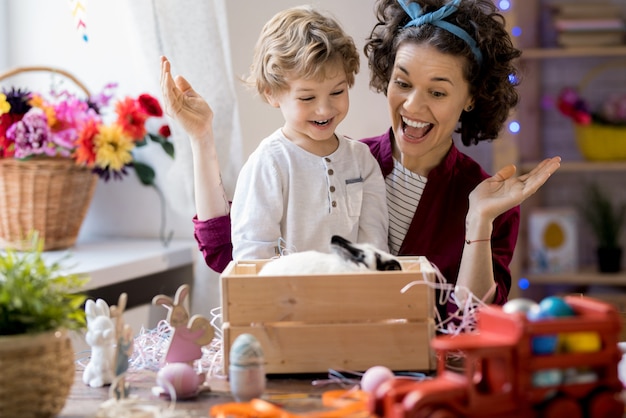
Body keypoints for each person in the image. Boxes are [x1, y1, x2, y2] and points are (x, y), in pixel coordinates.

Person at [160, 0, 561, 323]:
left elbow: (471, 325)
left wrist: (478, 221)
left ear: (470, 97)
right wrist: (201, 139)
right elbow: (228, 256)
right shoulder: (345, 157)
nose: (413, 105)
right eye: (402, 83)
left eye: (437, 93)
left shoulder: (488, 201)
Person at [161, 6, 389, 263]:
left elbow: (376, 252)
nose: (324, 108)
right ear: (271, 93)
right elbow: (252, 258)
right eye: (307, 97)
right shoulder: (268, 163)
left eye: (337, 92)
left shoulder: (363, 160)